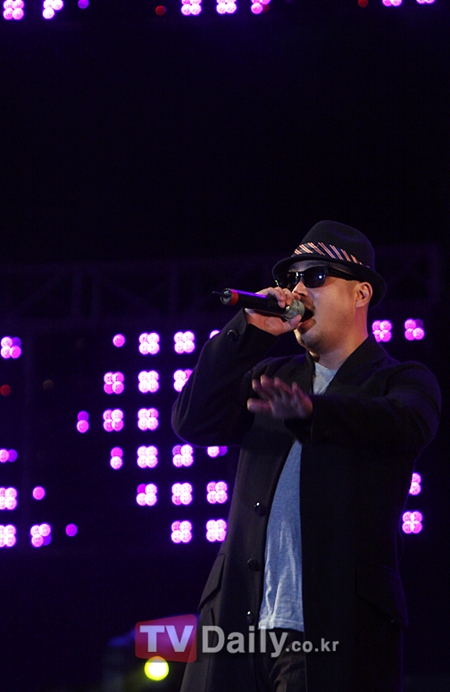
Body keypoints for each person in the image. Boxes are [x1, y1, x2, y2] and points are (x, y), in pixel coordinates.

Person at [171, 220, 441, 692]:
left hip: (332, 632)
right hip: (236, 630)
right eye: (291, 278)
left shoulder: (399, 381)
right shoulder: (271, 374)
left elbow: (403, 422)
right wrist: (248, 331)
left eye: (315, 276)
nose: (297, 290)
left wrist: (314, 412)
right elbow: (192, 421)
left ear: (360, 293)